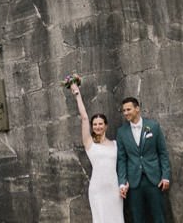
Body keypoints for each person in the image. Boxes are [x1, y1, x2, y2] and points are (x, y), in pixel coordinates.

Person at [69, 81, 124, 223]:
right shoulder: (89, 143)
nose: (97, 126)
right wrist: (77, 95)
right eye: (95, 124)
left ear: (106, 126)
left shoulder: (116, 144)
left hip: (114, 188)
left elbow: (123, 165)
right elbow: (84, 118)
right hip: (98, 189)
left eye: (100, 124)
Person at [114, 96, 171, 223]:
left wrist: (165, 176)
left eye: (128, 109)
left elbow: (163, 153)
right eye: (124, 111)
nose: (126, 113)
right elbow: (121, 159)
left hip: (155, 180)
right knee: (138, 218)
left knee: (159, 216)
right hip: (134, 182)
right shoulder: (121, 132)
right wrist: (122, 182)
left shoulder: (153, 126)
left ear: (137, 108)